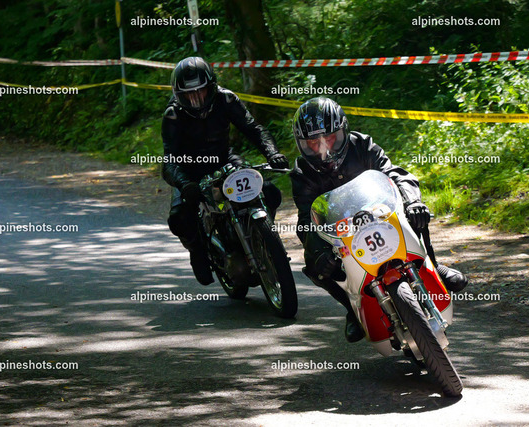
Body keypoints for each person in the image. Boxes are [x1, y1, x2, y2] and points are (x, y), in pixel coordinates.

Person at [290, 97, 468, 342]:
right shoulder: (301, 173)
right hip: (340, 231)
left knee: (416, 215)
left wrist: (413, 201)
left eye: (329, 138)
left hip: (379, 211)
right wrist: (319, 252)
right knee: (314, 268)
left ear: (342, 131)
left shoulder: (362, 145)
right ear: (302, 144)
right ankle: (353, 309)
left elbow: (394, 173)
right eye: (313, 142)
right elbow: (306, 219)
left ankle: (433, 268)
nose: (323, 148)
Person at [162, 57, 288, 285]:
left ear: (211, 87)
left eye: (201, 92)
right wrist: (184, 183)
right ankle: (197, 251)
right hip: (190, 170)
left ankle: (264, 235)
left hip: (223, 159)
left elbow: (253, 129)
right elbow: (169, 160)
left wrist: (273, 153)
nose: (196, 100)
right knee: (180, 217)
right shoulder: (173, 114)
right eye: (189, 95)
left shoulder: (226, 99)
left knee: (269, 191)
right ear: (179, 95)